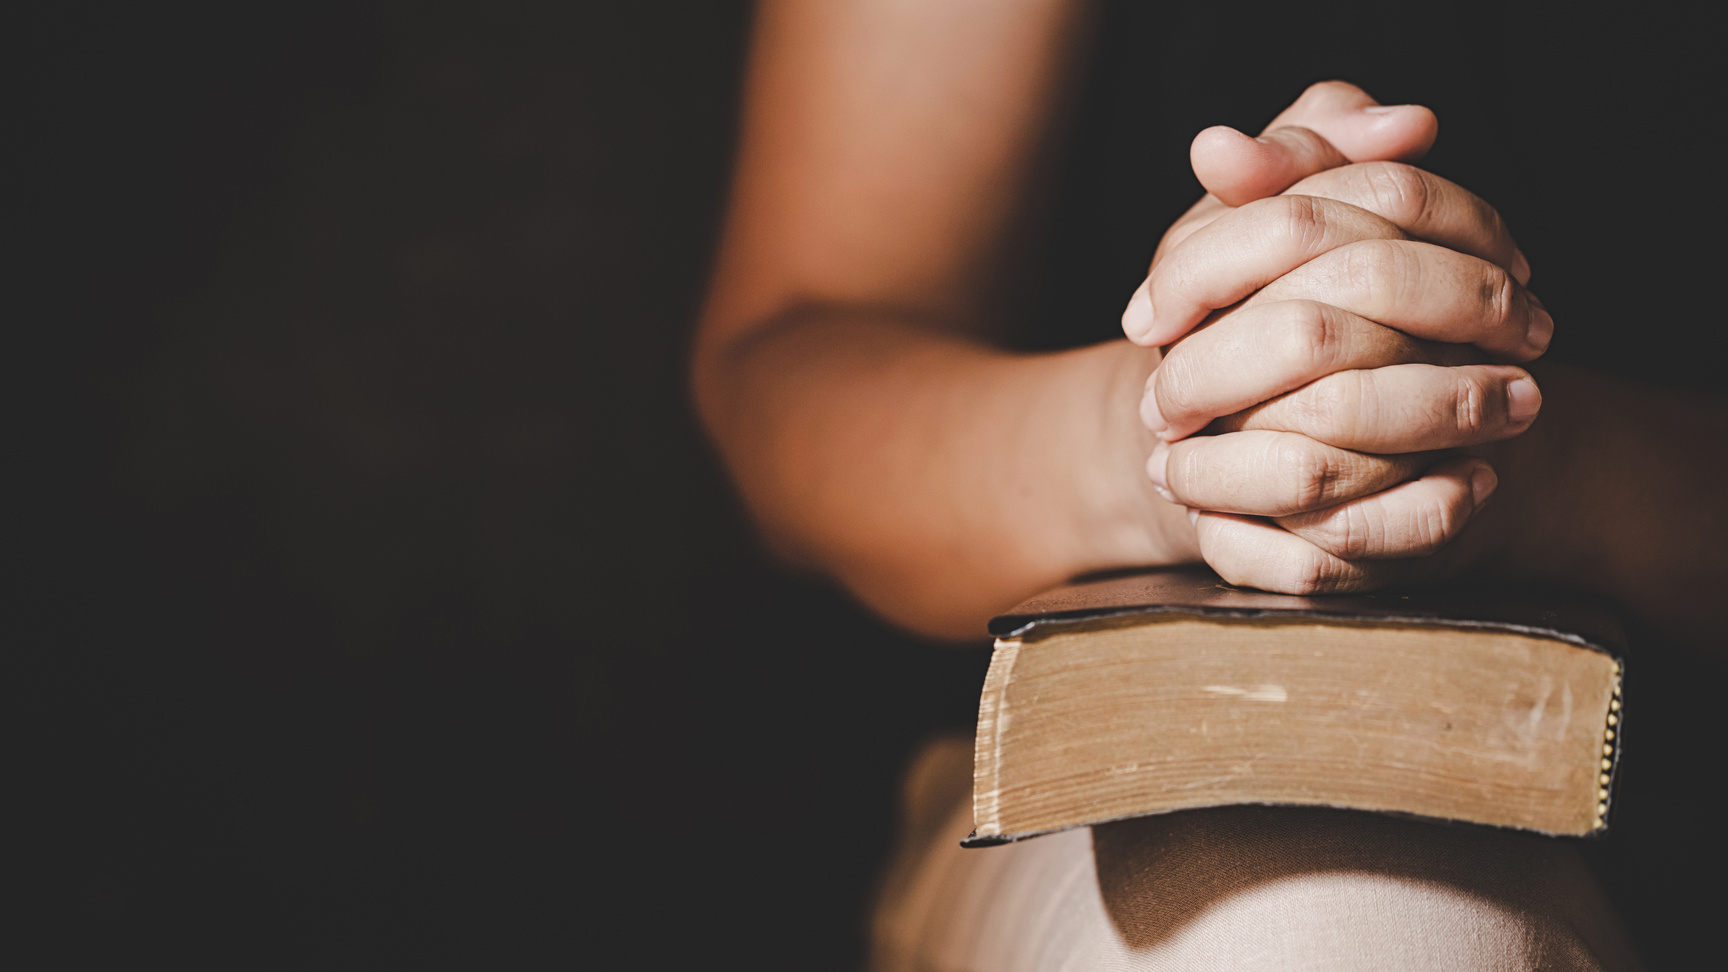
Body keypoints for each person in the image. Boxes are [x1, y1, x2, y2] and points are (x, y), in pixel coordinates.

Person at [691, 1, 1726, 967]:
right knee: (1333, 939)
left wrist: (1524, 454)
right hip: (1079, 776)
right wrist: (1175, 422)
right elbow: (791, 368)